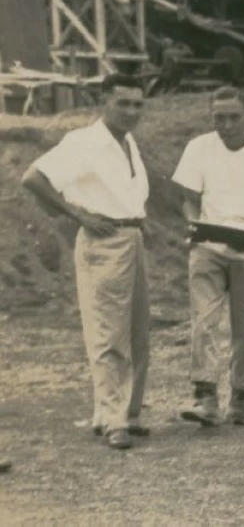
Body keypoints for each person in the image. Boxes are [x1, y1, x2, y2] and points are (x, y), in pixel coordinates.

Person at [21, 73, 152, 450]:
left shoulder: (127, 141)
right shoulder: (84, 141)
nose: (131, 111)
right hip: (104, 239)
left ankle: (125, 413)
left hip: (132, 235)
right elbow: (34, 178)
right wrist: (78, 215)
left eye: (137, 104)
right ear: (103, 102)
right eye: (122, 103)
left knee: (137, 332)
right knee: (109, 333)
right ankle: (113, 420)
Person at [172, 86, 244, 428]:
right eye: (218, 118)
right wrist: (195, 226)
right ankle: (205, 396)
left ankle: (243, 400)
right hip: (208, 245)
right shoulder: (198, 148)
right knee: (204, 319)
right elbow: (189, 199)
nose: (226, 125)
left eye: (234, 117)